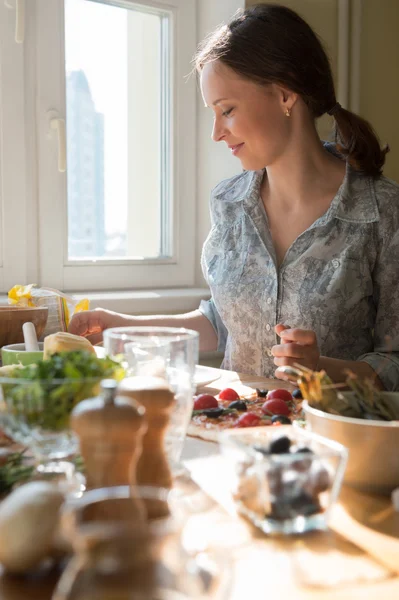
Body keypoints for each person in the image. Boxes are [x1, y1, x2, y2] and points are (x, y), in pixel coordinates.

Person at [69, 4, 399, 390]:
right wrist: (123, 326)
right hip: (234, 431)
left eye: (226, 110)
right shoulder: (229, 203)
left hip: (335, 442)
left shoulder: (383, 212)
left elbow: (395, 362)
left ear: (284, 94)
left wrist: (323, 368)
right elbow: (224, 323)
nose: (217, 133)